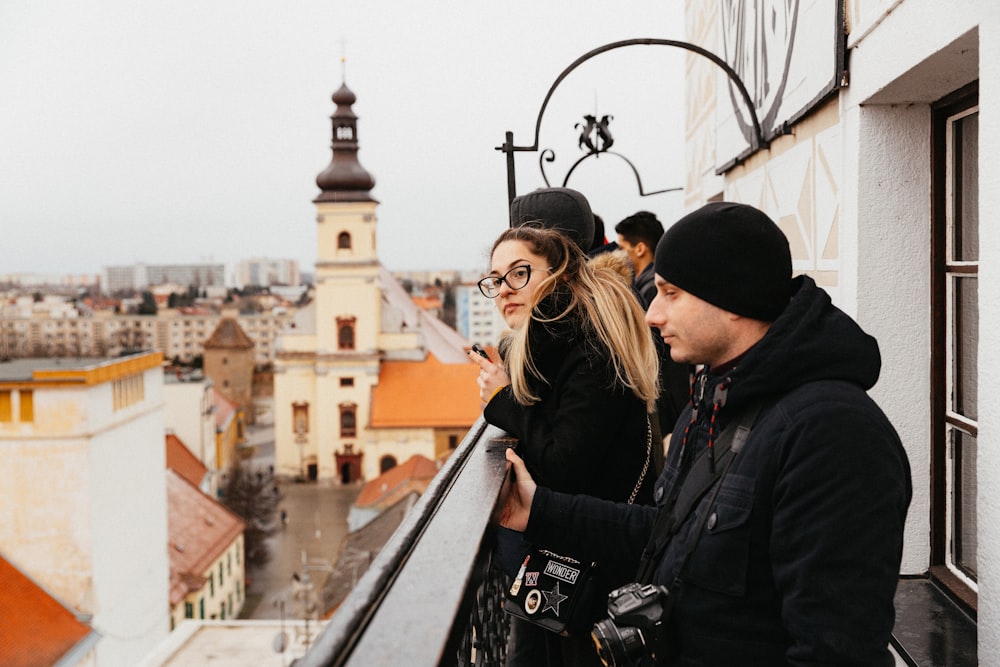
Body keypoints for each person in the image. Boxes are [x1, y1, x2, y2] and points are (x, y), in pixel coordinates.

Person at [498, 202, 912, 666]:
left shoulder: (833, 435)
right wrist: (537, 510)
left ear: (732, 297)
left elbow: (834, 651)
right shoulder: (717, 396)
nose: (652, 314)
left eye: (670, 293)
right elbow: (664, 535)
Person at [469, 223, 660, 666]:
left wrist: (502, 399)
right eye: (495, 281)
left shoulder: (588, 346)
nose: (502, 291)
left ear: (560, 274)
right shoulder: (556, 344)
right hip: (573, 547)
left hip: (599, 558)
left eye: (519, 273)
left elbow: (563, 464)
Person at [615, 210, 691, 439]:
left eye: (622, 247)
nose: (619, 254)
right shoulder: (653, 284)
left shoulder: (647, 291)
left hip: (665, 396)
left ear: (640, 248)